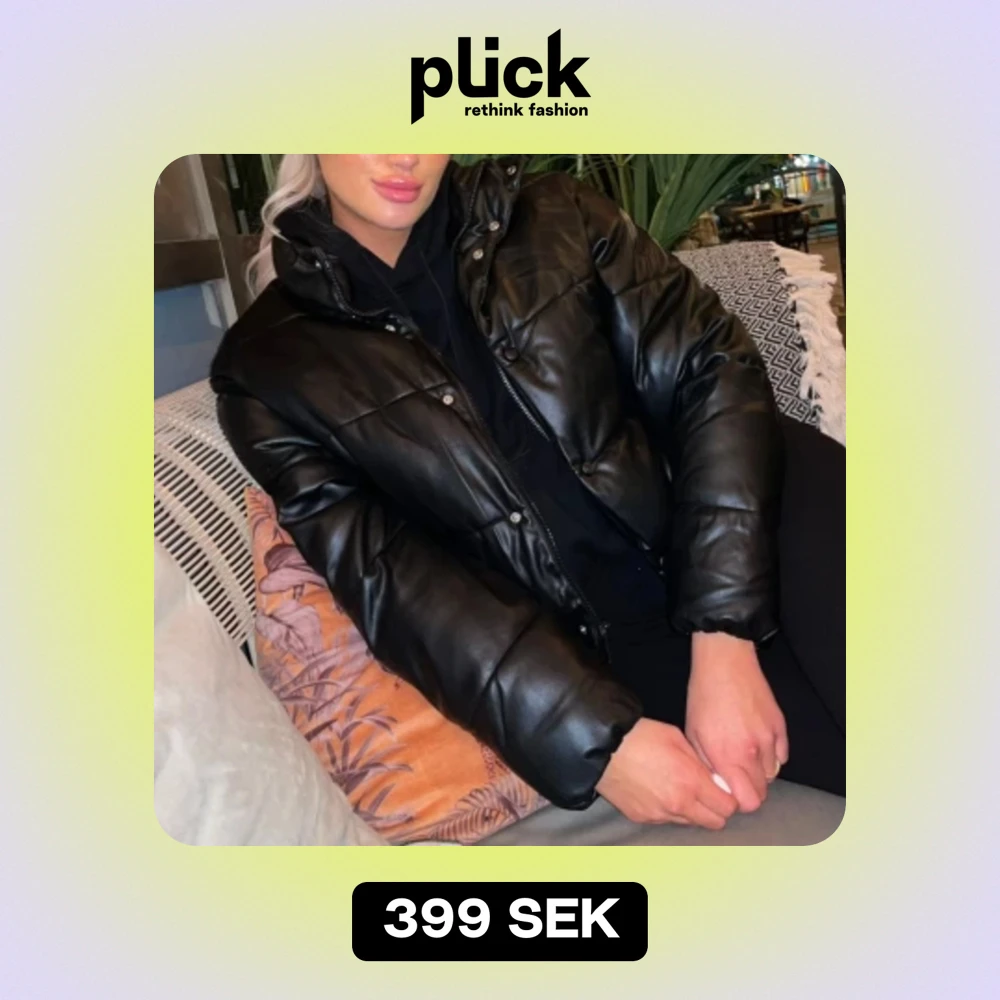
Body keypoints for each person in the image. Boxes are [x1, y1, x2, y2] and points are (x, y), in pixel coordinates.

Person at [210, 153, 845, 830]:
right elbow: (399, 589)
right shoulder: (266, 371)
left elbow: (710, 371)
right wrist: (600, 743)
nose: (403, 154)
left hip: (763, 517)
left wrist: (722, 637)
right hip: (618, 647)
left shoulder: (557, 212)